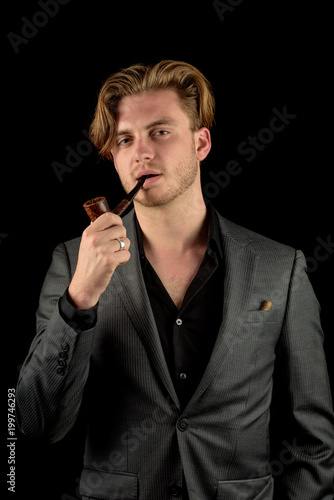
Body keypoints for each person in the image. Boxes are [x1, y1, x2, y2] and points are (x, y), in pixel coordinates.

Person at [16, 60, 334, 500]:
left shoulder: (281, 267)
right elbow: (33, 425)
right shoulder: (72, 263)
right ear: (113, 155)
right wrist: (81, 297)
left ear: (201, 143)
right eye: (125, 139)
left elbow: (312, 440)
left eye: (160, 132)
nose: (141, 152)